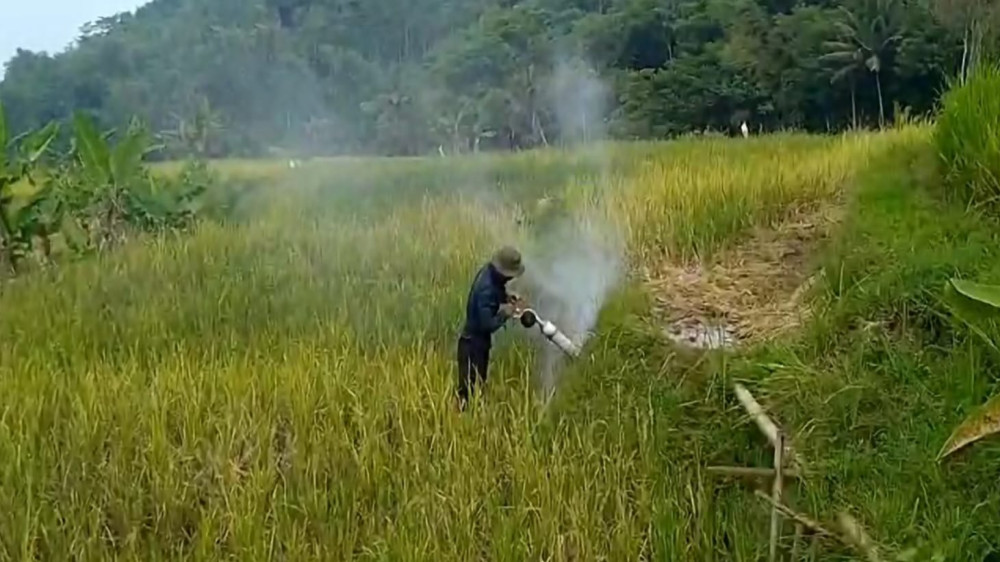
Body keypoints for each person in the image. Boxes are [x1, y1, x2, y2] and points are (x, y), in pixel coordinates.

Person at [456, 245, 526, 410]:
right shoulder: (486, 289)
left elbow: (496, 292)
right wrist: (506, 313)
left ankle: (474, 416)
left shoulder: (489, 274)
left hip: (477, 342)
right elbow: (487, 324)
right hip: (472, 346)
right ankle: (461, 421)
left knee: (478, 383)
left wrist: (506, 297)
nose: (510, 279)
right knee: (469, 388)